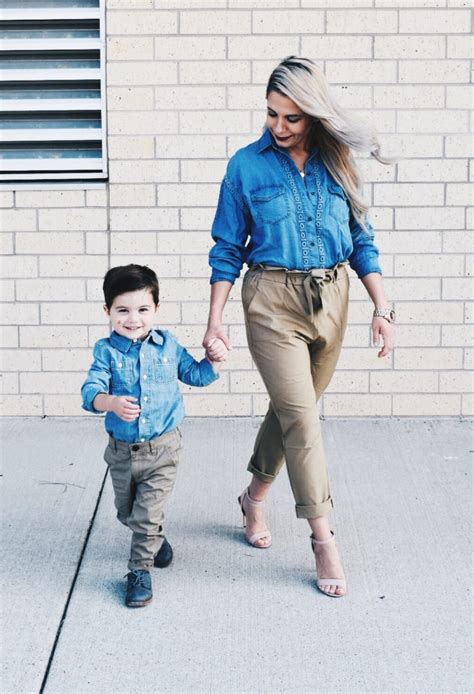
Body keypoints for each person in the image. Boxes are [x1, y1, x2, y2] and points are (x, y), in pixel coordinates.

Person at [203, 56, 394, 598]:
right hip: (272, 301)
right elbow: (225, 249)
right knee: (305, 422)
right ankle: (322, 537)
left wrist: (383, 309)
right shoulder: (246, 167)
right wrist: (215, 321)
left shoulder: (339, 165)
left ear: (314, 115)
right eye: (271, 115)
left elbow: (363, 242)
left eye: (292, 117)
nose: (279, 127)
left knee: (292, 412)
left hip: (333, 297)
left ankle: (253, 498)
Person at [82, 264, 227, 607]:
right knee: (127, 513)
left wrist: (213, 360)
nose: (134, 319)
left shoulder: (168, 346)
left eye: (143, 309)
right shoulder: (107, 352)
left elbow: (196, 375)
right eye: (123, 310)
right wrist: (112, 402)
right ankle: (155, 540)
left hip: (163, 449)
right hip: (121, 452)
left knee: (146, 515)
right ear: (108, 312)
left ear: (156, 310)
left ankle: (139, 570)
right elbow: (90, 392)